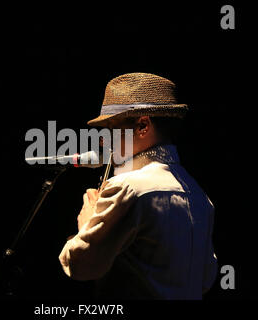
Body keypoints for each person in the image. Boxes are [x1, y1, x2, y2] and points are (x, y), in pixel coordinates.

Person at [58, 73, 218, 299]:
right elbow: (206, 278)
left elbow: (81, 267)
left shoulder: (127, 187)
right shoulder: (200, 196)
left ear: (143, 126)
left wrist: (86, 225)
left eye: (110, 127)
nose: (102, 140)